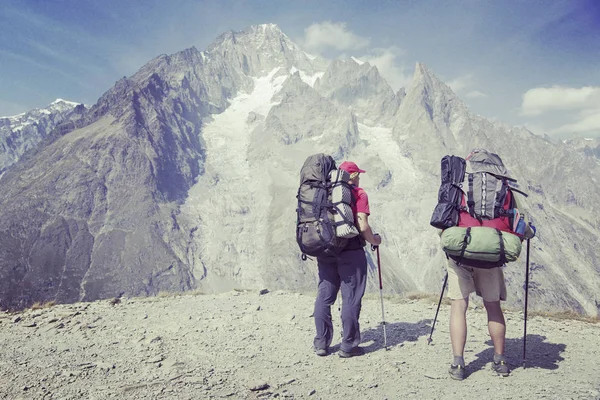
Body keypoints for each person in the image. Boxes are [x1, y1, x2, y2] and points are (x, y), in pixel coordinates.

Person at [446, 151, 536, 380]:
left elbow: (445, 217)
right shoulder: (506, 188)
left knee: (459, 307)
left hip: (461, 253)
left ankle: (458, 364)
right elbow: (520, 223)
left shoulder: (460, 184)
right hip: (492, 254)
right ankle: (500, 360)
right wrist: (528, 233)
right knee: (492, 306)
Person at [313, 161, 382, 358]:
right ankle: (349, 345)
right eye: (357, 174)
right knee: (350, 297)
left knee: (324, 296)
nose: (359, 177)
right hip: (351, 252)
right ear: (351, 176)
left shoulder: (323, 192)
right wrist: (375, 240)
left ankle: (321, 343)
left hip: (326, 251)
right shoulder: (359, 194)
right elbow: (362, 224)